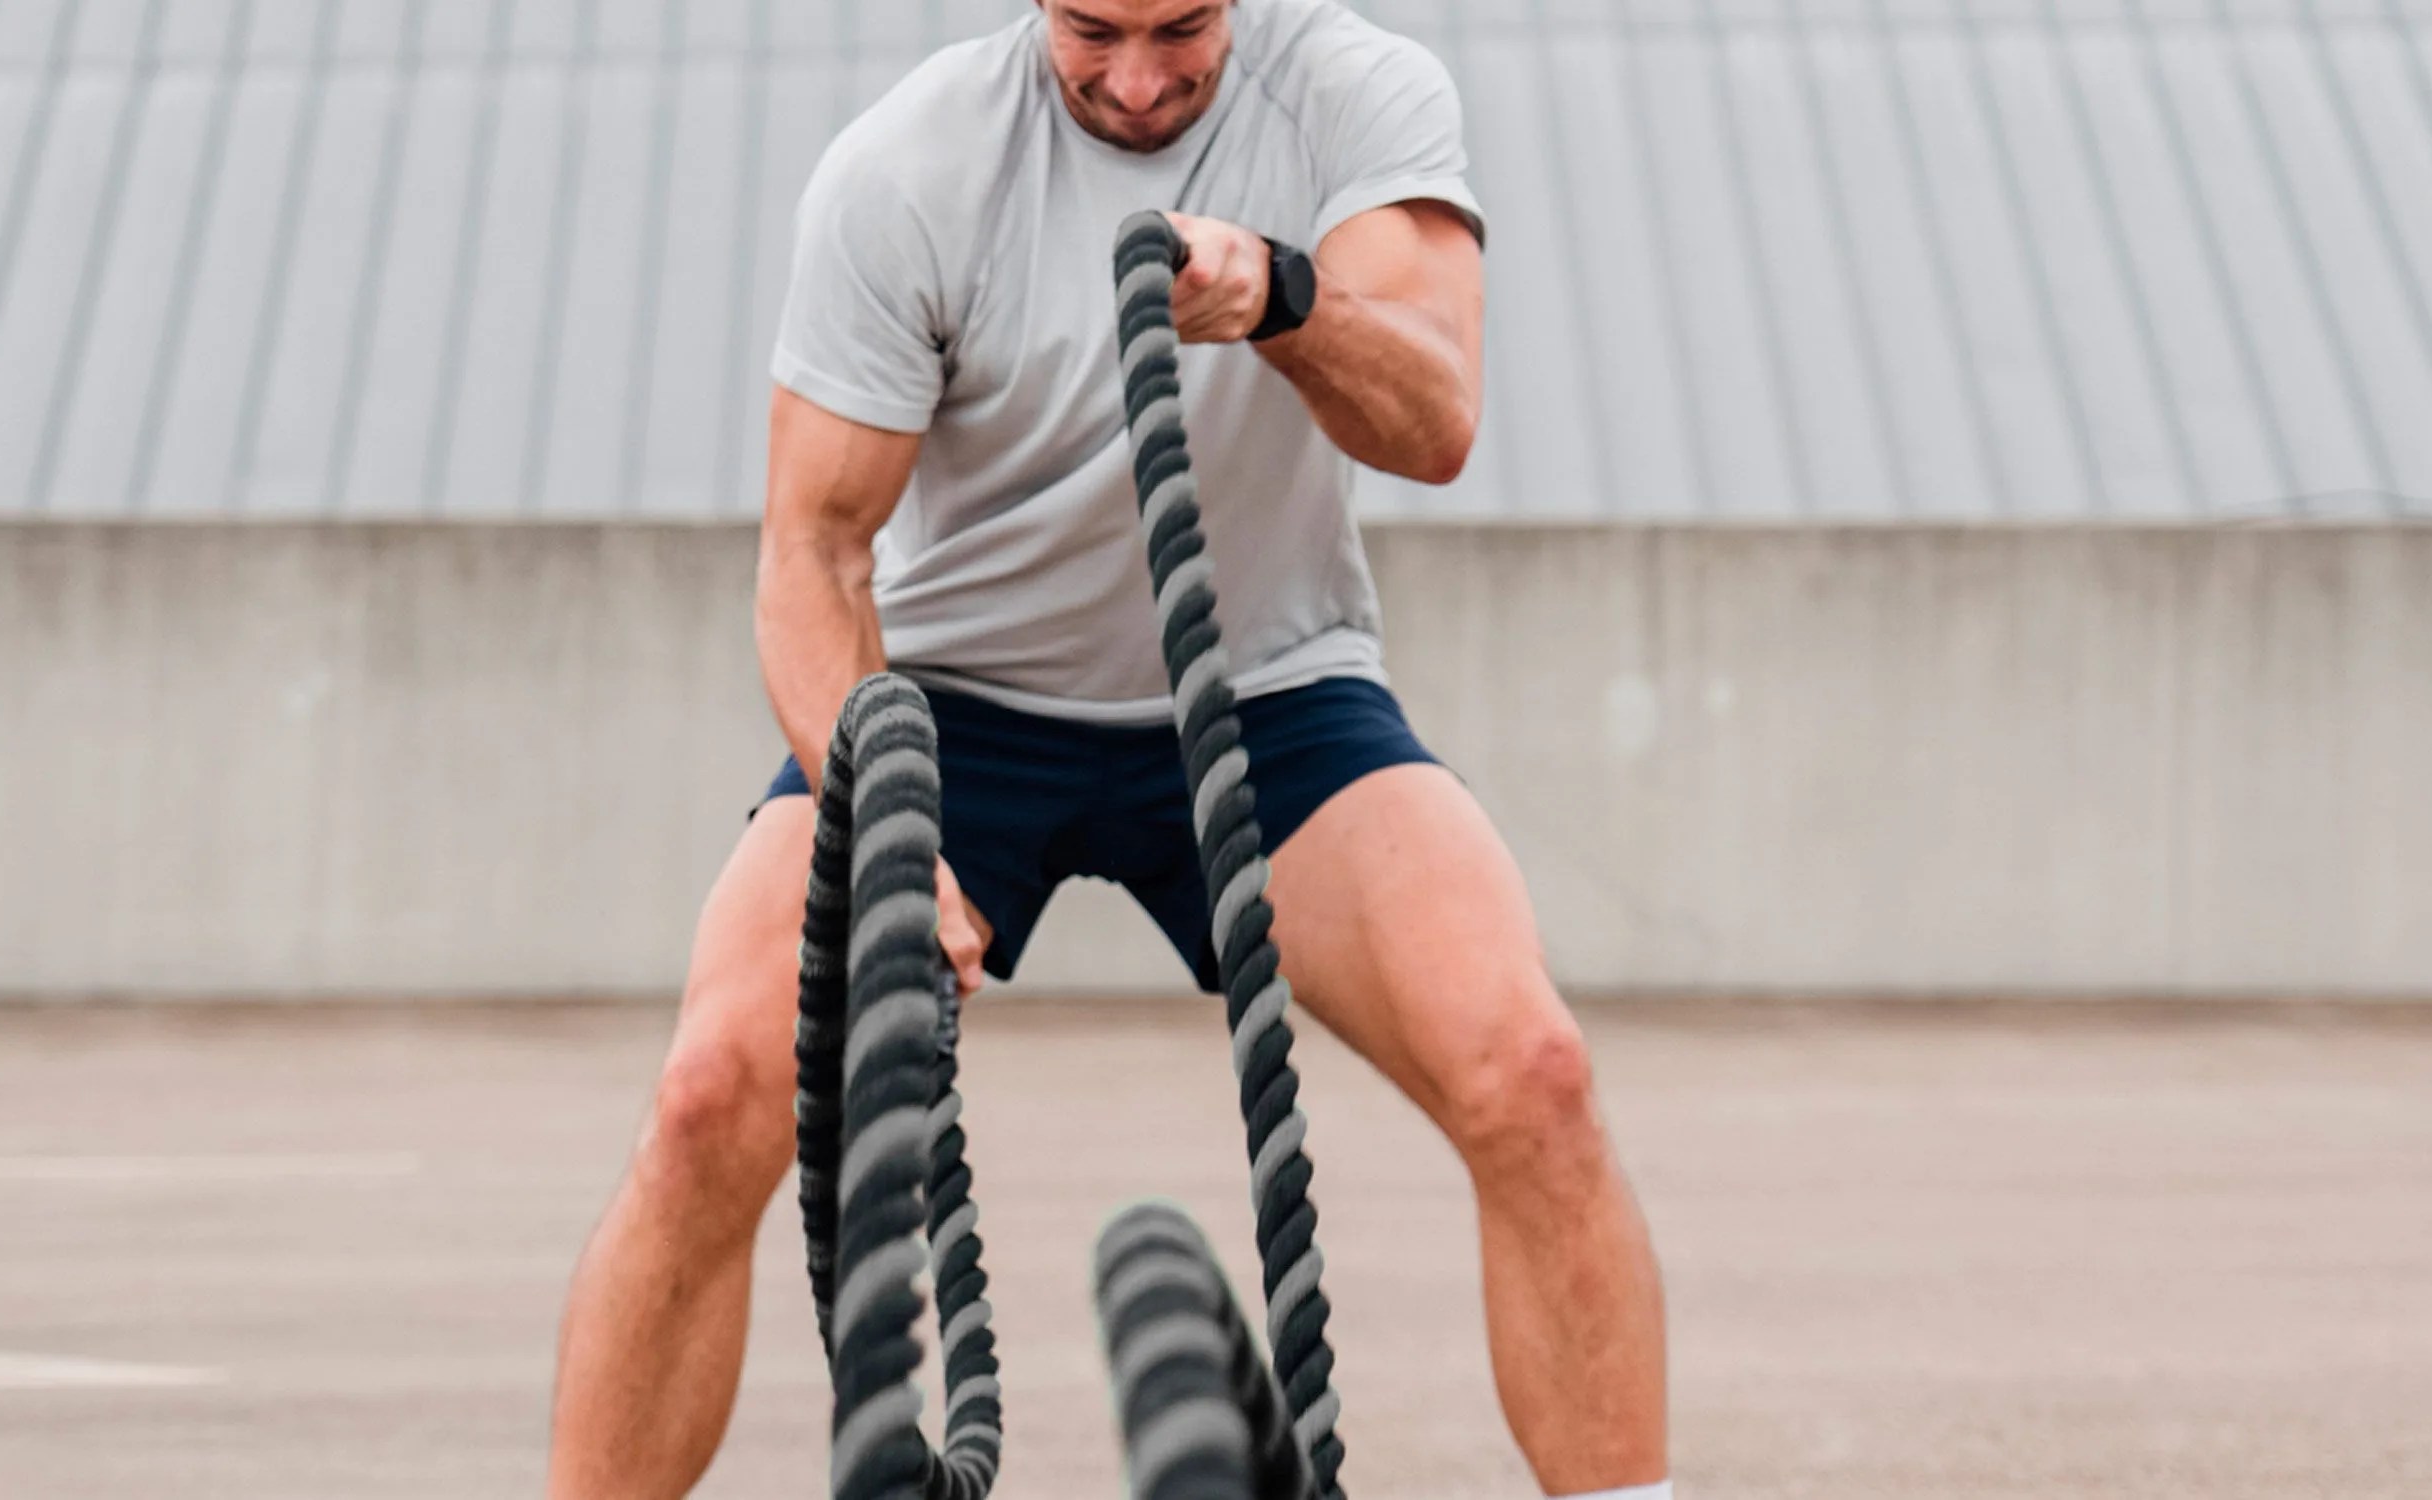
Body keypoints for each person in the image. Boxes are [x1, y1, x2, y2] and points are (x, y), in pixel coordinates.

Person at [548, 3, 1670, 1496]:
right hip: (953, 702)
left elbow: (1435, 416)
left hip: (1267, 688)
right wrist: (881, 817)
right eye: (1093, 30)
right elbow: (812, 555)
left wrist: (1283, 296)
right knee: (709, 1100)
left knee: (1530, 1072)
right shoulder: (908, 169)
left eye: (1181, 27)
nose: (1139, 81)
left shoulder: (1355, 92)